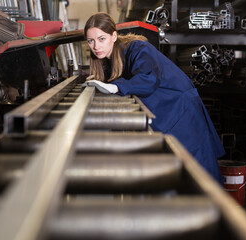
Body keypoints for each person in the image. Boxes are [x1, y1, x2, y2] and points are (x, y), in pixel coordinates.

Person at [83, 12, 225, 184]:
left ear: (114, 36)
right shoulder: (106, 58)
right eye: (91, 41)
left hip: (180, 111)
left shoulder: (137, 48)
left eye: (101, 39)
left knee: (198, 174)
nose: (96, 46)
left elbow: (148, 79)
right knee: (175, 175)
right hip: (165, 111)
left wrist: (116, 87)